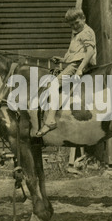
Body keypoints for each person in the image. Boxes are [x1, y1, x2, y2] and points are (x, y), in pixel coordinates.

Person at [36, 8, 97, 137]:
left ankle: (51, 120)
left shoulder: (86, 32)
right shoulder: (78, 33)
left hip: (78, 65)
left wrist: (80, 68)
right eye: (72, 25)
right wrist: (63, 60)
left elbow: (90, 51)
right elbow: (77, 53)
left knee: (52, 85)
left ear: (83, 18)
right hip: (74, 63)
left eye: (76, 22)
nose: (75, 26)